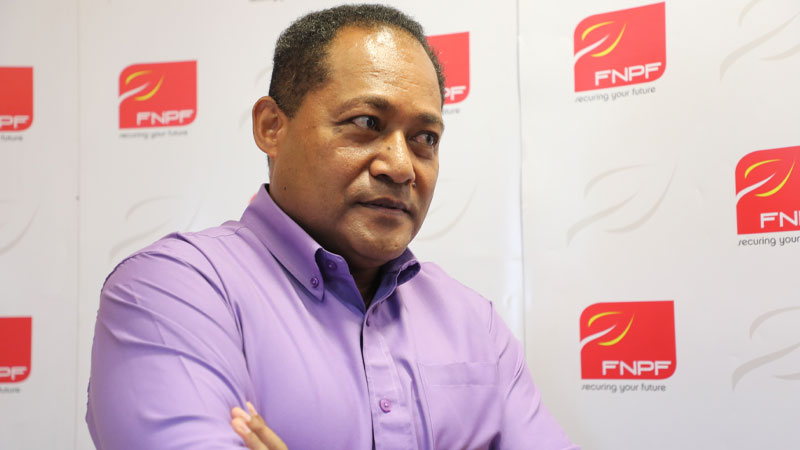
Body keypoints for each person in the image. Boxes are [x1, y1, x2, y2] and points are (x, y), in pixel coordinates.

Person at [86, 4, 579, 450]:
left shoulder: (473, 322)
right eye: (366, 123)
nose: (400, 166)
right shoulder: (172, 291)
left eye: (425, 138)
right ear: (271, 127)